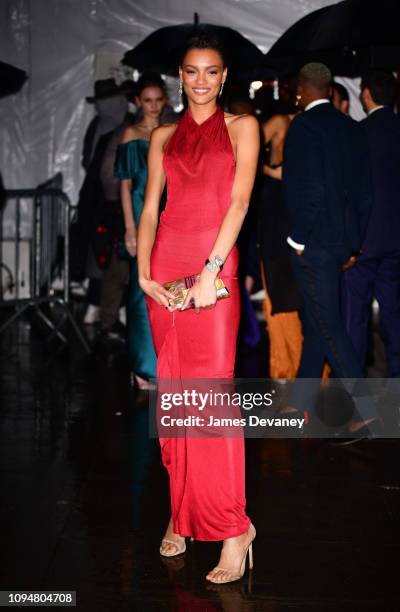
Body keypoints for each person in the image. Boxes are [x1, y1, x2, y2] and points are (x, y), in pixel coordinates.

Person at [136, 33, 259, 582]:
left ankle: (235, 529)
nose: (202, 81)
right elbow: (149, 211)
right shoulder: (162, 135)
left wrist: (211, 270)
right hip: (165, 270)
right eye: (192, 72)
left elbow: (239, 202)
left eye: (212, 72)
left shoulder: (242, 127)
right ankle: (182, 513)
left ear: (225, 76)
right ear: (180, 76)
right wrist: (143, 273)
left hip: (213, 270)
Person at [282, 63, 378, 436]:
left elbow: (308, 191)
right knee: (320, 318)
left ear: (304, 89)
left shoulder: (304, 127)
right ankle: (300, 402)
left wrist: (298, 239)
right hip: (342, 242)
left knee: (328, 322)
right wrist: (354, 243)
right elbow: (366, 193)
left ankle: (366, 406)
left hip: (315, 244)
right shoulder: (351, 127)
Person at [342, 71, 400, 377]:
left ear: (365, 94)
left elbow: (348, 192)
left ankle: (356, 392)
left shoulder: (356, 134)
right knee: (394, 316)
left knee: (356, 319)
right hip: (395, 242)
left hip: (361, 243)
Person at [114, 73, 169, 390]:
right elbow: (124, 185)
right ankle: (142, 365)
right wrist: (129, 228)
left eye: (157, 99)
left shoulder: (171, 132)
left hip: (166, 216)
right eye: (146, 100)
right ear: (137, 102)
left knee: (164, 290)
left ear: (165, 100)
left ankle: (161, 364)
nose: (152, 106)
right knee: (139, 294)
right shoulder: (130, 134)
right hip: (139, 213)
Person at [257, 109, 303, 379]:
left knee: (298, 294)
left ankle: (301, 367)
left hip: (297, 210)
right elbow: (244, 144)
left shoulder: (315, 124)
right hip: (276, 208)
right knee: (279, 290)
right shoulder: (281, 120)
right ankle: (284, 366)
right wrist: (268, 170)